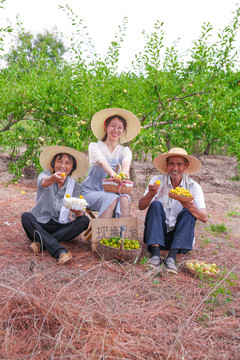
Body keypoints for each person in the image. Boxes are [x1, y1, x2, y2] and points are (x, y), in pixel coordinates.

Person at [138, 147, 208, 274]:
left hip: (179, 240)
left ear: (186, 165)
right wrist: (150, 194)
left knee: (189, 212)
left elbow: (204, 217)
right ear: (167, 165)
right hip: (158, 237)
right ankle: (155, 255)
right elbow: (141, 206)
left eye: (179, 164)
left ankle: (171, 257)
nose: (175, 168)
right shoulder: (157, 181)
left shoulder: (193, 187)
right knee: (156, 205)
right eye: (172, 164)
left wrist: (190, 206)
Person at [21, 145, 90, 264]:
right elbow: (43, 182)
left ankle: (41, 243)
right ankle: (59, 251)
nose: (63, 166)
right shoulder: (46, 174)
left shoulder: (74, 186)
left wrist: (78, 212)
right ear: (53, 164)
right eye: (59, 161)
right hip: (40, 223)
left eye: (67, 163)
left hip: (60, 224)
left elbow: (78, 215)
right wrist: (53, 178)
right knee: (26, 216)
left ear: (72, 167)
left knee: (84, 220)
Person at [80, 108, 140, 218]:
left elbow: (126, 165)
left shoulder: (124, 151)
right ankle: (103, 234)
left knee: (124, 199)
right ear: (106, 127)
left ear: (124, 131)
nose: (116, 130)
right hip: (91, 191)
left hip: (114, 191)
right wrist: (113, 174)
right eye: (112, 126)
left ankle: (121, 233)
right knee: (111, 198)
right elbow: (102, 162)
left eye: (120, 127)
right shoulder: (95, 146)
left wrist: (125, 174)